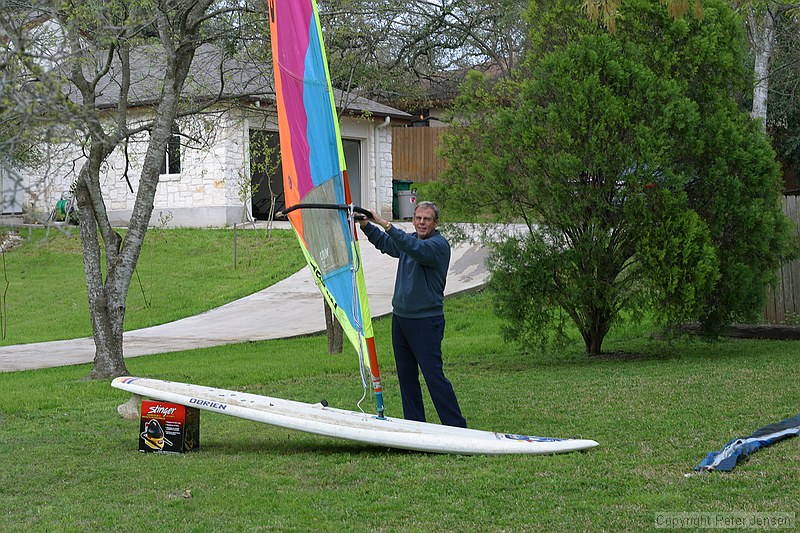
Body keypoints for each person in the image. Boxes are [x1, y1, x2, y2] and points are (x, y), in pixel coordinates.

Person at [358, 201, 467, 428]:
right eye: (417, 218)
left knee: (433, 377)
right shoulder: (410, 241)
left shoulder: (438, 245)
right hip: (401, 320)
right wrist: (367, 226)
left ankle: (457, 427)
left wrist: (385, 223)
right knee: (406, 378)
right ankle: (415, 426)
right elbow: (388, 244)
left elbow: (414, 249)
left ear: (436, 223)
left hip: (426, 322)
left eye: (427, 219)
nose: (421, 223)